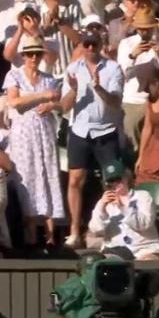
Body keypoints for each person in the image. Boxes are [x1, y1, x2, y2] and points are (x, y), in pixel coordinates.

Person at [61, 28, 126, 248]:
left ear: (101, 44)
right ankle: (74, 231)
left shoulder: (114, 68)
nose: (90, 48)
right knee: (75, 180)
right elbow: (64, 107)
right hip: (80, 130)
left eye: (94, 44)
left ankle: (111, 229)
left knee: (113, 180)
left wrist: (98, 88)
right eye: (86, 44)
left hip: (106, 130)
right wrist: (73, 90)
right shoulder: (72, 69)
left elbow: (115, 103)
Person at [4, 35, 64, 249]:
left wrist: (51, 106)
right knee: (28, 178)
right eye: (29, 54)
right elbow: (15, 103)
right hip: (23, 136)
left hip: (44, 133)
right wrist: (42, 97)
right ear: (23, 56)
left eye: (37, 54)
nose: (33, 58)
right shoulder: (15, 76)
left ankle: (50, 237)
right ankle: (30, 235)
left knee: (47, 177)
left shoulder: (49, 78)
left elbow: (61, 105)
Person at [87, 161, 159, 260]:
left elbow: (144, 224)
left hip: (145, 249)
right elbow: (96, 230)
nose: (115, 184)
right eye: (111, 181)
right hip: (116, 251)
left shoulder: (143, 196)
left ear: (126, 177)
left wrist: (123, 208)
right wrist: (102, 208)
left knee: (146, 263)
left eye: (118, 179)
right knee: (102, 262)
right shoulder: (103, 203)